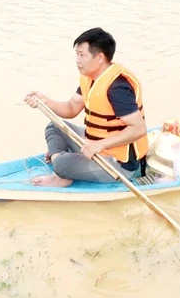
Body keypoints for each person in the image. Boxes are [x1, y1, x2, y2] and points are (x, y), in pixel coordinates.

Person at [24, 28, 148, 187]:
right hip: (94, 142)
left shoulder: (117, 88)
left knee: (62, 164)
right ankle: (62, 165)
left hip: (118, 162)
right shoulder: (90, 78)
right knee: (54, 127)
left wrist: (99, 145)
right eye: (77, 54)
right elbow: (71, 108)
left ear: (100, 58)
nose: (77, 60)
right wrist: (45, 101)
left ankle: (61, 172)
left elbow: (138, 129)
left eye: (82, 55)